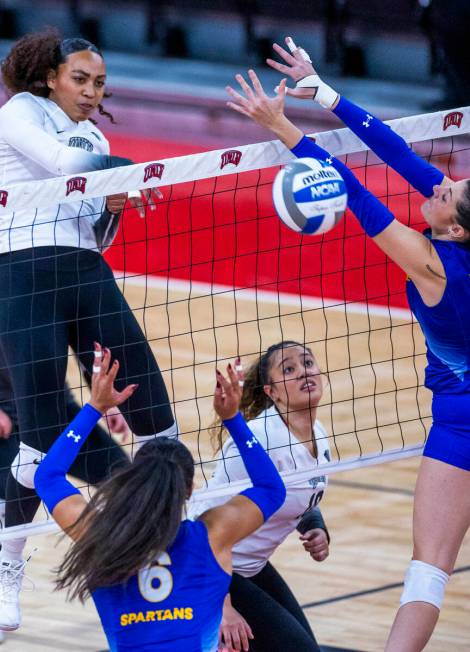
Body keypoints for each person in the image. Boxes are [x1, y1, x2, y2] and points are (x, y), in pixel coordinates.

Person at [227, 38, 470, 651]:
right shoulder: (456, 228)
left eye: (448, 191)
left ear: (457, 227)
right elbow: (396, 152)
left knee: (431, 566)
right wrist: (325, 91)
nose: (442, 184)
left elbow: (356, 196)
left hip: (460, 424)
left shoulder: (433, 266)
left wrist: (283, 125)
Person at [0, 29, 179, 632]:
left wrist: (112, 205)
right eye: (81, 79)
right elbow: (65, 166)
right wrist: (123, 173)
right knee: (39, 441)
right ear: (50, 77)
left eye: (100, 83)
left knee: (157, 420)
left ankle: (161, 537)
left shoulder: (97, 136)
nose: (93, 93)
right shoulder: (21, 111)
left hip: (86, 273)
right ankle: (6, 570)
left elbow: (96, 232)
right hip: (27, 279)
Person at [33, 343, 286, 651]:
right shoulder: (213, 534)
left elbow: (47, 476)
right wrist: (232, 418)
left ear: (135, 480)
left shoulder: (100, 537)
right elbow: (271, 488)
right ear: (189, 490)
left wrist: (94, 408)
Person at [0, 281, 131, 644]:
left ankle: (137, 578)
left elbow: (88, 351)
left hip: (54, 414)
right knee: (5, 505)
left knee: (128, 482)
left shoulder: (52, 294)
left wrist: (106, 402)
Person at [192, 341, 330, 652]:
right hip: (214, 569)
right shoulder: (260, 440)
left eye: (307, 363)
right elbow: (202, 522)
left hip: (251, 566)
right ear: (272, 392)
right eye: (289, 370)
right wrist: (221, 606)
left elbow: (304, 491)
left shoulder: (318, 433)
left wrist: (315, 526)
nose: (303, 373)